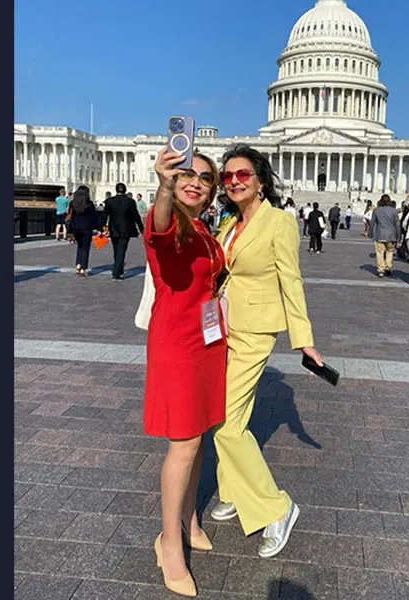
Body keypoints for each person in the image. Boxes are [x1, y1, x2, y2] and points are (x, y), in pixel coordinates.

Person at [211, 143, 323, 559]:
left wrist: (303, 339)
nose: (235, 182)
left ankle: (276, 507)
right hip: (222, 326)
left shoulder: (279, 221)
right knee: (224, 414)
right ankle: (233, 490)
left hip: (255, 329)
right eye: (228, 176)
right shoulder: (229, 223)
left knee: (227, 423)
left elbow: (290, 281)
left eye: (242, 175)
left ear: (260, 180)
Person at [145, 148, 227, 598]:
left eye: (205, 178)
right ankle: (168, 542)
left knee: (201, 435)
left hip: (207, 342)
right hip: (177, 341)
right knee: (185, 442)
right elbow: (158, 228)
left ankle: (190, 517)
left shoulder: (202, 227)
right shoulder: (170, 222)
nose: (195, 181)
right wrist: (161, 184)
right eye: (186, 174)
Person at [103, 182, 145, 281]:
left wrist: (102, 227)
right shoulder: (130, 201)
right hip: (126, 229)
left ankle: (119, 269)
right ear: (125, 190)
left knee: (116, 250)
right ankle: (116, 273)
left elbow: (105, 215)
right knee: (121, 250)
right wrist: (141, 228)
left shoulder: (110, 201)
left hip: (113, 228)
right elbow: (136, 216)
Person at [66, 186, 99, 276]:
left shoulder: (73, 203)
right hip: (86, 228)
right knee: (85, 247)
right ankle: (83, 267)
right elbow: (94, 217)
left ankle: (78, 264)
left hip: (75, 227)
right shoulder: (89, 204)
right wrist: (97, 227)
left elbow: (70, 214)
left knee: (80, 246)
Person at [369, 195, 401, 278]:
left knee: (380, 253)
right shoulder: (394, 211)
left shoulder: (377, 210)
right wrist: (398, 236)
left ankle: (381, 270)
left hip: (380, 234)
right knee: (390, 252)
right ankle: (388, 267)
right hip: (391, 235)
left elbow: (372, 222)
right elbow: (397, 224)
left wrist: (370, 233)